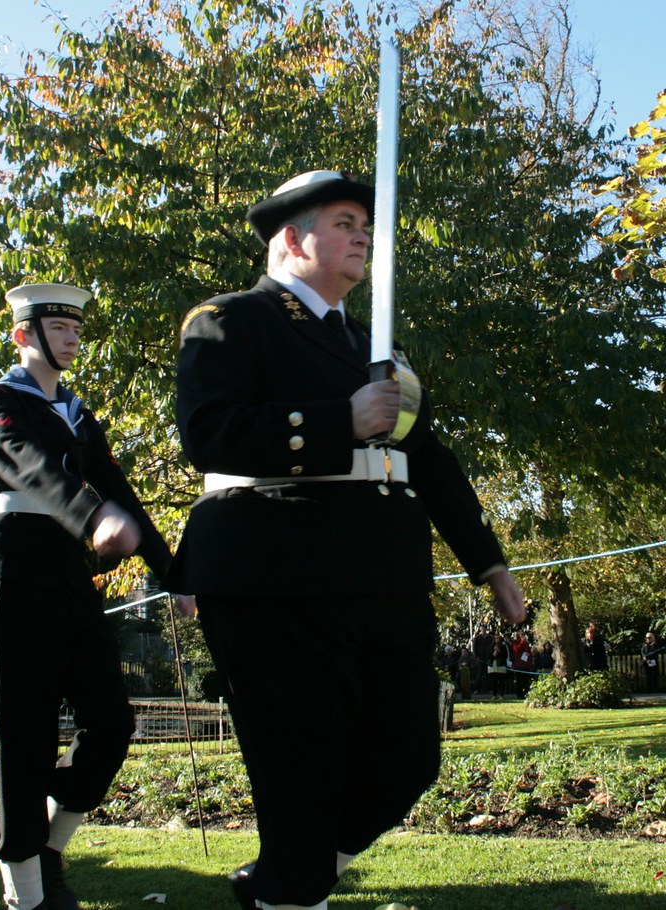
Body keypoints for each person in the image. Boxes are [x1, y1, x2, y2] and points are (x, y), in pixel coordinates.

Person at [168, 170, 526, 910]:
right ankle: (293, 887)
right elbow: (207, 435)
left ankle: (289, 876)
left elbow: (425, 459)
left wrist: (487, 563)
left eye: (365, 223)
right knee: (300, 765)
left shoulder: (375, 345)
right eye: (343, 221)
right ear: (293, 238)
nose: (362, 234)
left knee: (407, 759)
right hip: (276, 577)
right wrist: (340, 422)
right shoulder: (229, 320)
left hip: (384, 577)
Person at [0, 283, 194, 910]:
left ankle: (47, 845)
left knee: (112, 721)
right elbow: (30, 464)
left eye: (75, 330)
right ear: (24, 335)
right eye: (59, 330)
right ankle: (26, 890)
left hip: (70, 575)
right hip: (14, 570)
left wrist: (171, 572)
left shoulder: (74, 410)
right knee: (25, 732)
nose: (72, 340)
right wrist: (92, 515)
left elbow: (118, 487)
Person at [510, 630, 534, 698]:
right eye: (521, 635)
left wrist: (529, 656)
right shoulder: (515, 642)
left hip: (526, 665)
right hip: (519, 665)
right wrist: (522, 642)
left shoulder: (526, 643)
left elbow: (529, 652)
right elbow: (516, 649)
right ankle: (519, 694)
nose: (523, 636)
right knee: (519, 681)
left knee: (526, 681)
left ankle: (525, 694)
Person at [489, 634, 510, 699]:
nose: (497, 639)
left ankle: (501, 695)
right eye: (495, 638)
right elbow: (488, 655)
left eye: (498, 638)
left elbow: (505, 655)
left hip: (501, 665)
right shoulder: (491, 646)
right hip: (493, 665)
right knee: (493, 681)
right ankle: (494, 695)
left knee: (501, 681)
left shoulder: (503, 646)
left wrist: (499, 650)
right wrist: (493, 654)